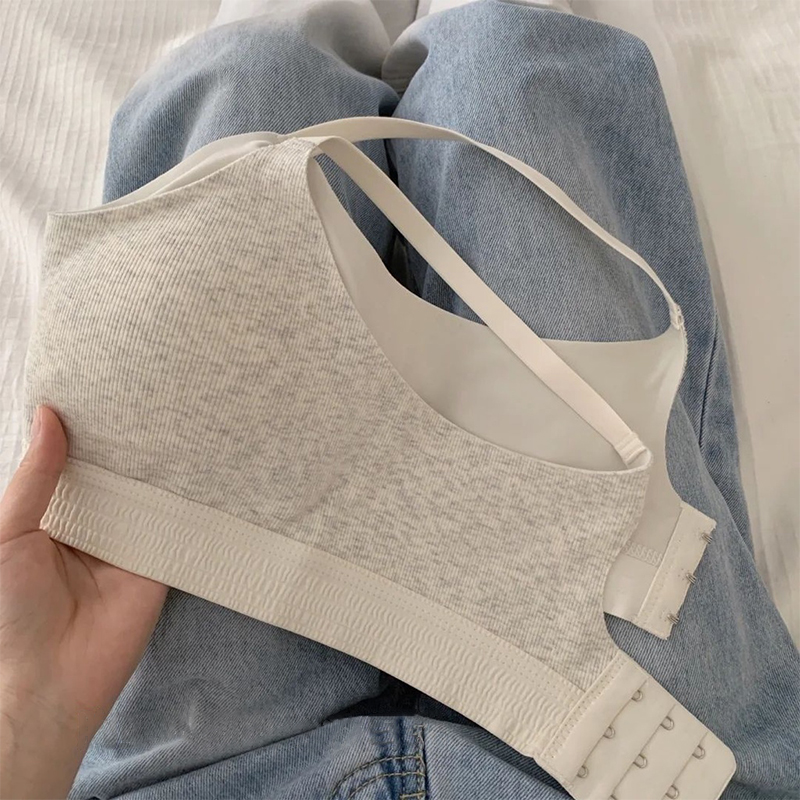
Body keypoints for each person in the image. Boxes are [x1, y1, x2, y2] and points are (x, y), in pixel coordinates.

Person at [2, 2, 798, 798]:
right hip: (649, 767)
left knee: (244, 77)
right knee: (506, 62)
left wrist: (28, 712)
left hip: (191, 770)